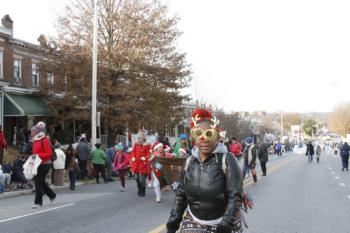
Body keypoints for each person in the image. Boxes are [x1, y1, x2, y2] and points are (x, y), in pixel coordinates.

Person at [166, 108, 243, 233]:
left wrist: (226, 225)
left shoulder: (228, 160)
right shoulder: (189, 162)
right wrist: (172, 224)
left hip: (223, 224)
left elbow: (235, 197)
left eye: (209, 134)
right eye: (199, 134)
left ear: (217, 135)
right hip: (193, 222)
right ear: (194, 137)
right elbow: (181, 196)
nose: (204, 139)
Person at [31, 122, 56, 209]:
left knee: (38, 182)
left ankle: (38, 203)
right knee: (40, 182)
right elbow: (36, 152)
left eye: (33, 131)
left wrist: (37, 156)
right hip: (38, 163)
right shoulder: (35, 140)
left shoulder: (44, 140)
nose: (31, 133)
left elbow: (49, 154)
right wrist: (33, 157)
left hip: (45, 164)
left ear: (37, 132)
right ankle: (52, 195)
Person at [129, 131, 151, 197]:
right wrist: (133, 157)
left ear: (143, 138)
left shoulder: (147, 145)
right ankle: (139, 188)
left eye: (140, 138)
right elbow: (133, 152)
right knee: (136, 178)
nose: (139, 139)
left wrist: (145, 157)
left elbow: (149, 154)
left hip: (143, 164)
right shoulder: (136, 145)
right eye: (138, 138)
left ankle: (143, 191)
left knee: (143, 179)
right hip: (136, 164)